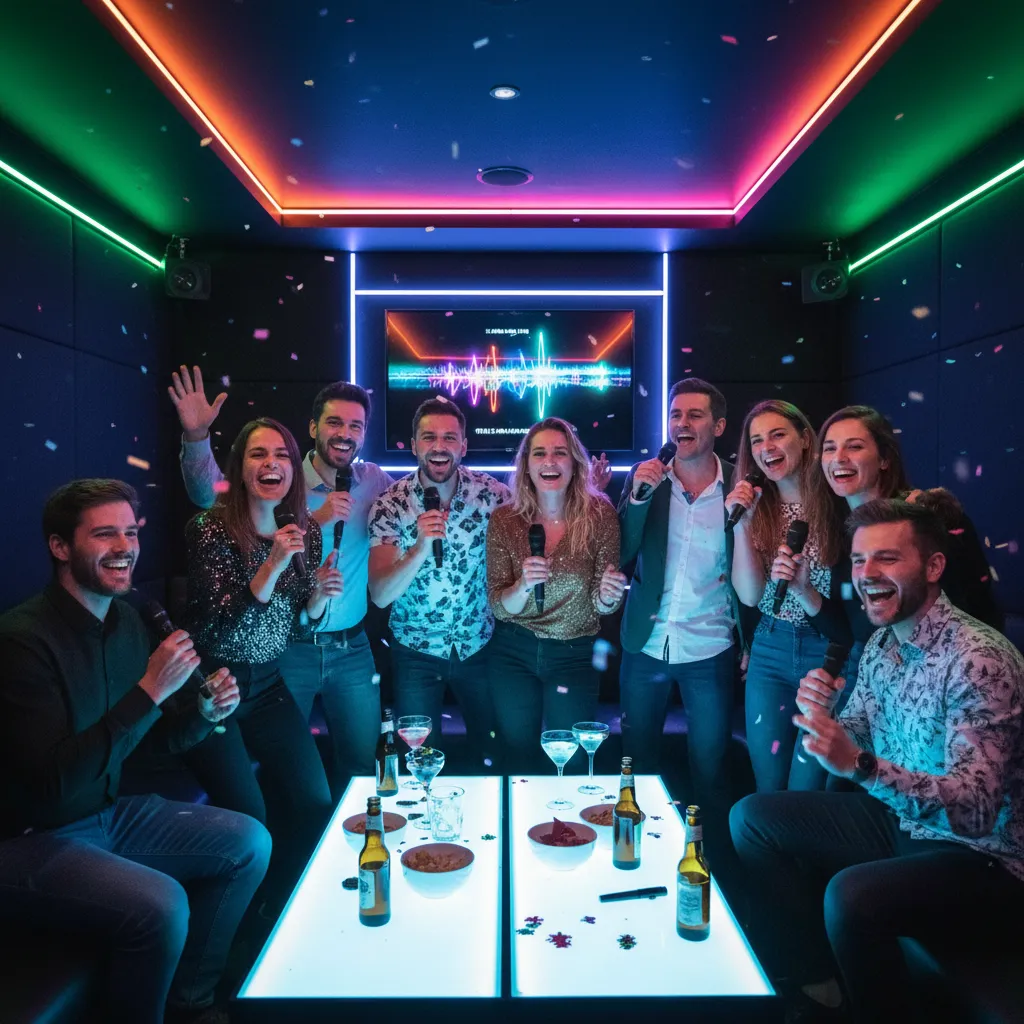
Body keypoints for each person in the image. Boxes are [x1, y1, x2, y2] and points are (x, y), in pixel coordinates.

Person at [730, 499, 1024, 1022]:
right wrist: (823, 715)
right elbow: (858, 729)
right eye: (861, 561)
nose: (868, 575)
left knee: (850, 896)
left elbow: (977, 812)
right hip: (903, 824)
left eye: (887, 559)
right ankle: (814, 979)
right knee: (752, 817)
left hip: (984, 860)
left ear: (933, 567)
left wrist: (861, 765)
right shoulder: (883, 643)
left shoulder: (978, 658)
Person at [0, 479, 269, 1024]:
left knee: (250, 840)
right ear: (60, 547)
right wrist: (150, 689)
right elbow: (52, 782)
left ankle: (190, 1001)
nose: (124, 546)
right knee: (163, 904)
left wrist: (204, 716)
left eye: (130, 532)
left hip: (107, 813)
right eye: (104, 534)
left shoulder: (127, 619)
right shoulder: (20, 641)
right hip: (30, 838)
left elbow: (155, 740)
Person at [169, 367, 392, 792]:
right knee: (279, 775)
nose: (345, 433)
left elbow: (417, 496)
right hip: (288, 650)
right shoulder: (277, 481)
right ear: (312, 428)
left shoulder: (374, 482)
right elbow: (205, 494)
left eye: (356, 426)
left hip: (352, 649)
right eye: (334, 422)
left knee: (361, 767)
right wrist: (196, 437)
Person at [182, 418, 339, 912]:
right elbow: (221, 623)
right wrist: (271, 564)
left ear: (294, 468)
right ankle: (234, 922)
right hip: (213, 687)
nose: (271, 463)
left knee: (315, 801)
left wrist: (317, 598)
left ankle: (287, 905)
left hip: (269, 684)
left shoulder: (305, 531)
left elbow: (294, 626)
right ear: (240, 466)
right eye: (257, 454)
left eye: (281, 455)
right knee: (248, 816)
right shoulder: (209, 528)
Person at [617, 378, 748, 818]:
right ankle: (640, 847)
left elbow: (750, 570)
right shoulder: (647, 478)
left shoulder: (740, 485)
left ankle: (708, 860)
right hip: (646, 643)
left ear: (719, 425)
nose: (682, 424)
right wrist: (638, 498)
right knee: (636, 761)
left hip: (710, 647)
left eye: (694, 415)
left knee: (710, 766)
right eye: (675, 415)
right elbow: (622, 553)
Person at [368, 397, 509, 765]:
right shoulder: (390, 504)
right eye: (429, 437)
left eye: (450, 437)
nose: (439, 446)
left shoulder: (493, 496)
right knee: (420, 761)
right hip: (415, 652)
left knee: (493, 751)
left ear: (463, 446)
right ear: (414, 445)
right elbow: (381, 595)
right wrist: (418, 548)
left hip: (479, 645)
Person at [486, 417, 626, 770]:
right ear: (527, 466)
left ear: (575, 463)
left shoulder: (600, 515)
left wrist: (610, 595)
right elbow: (500, 607)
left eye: (560, 453)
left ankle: (564, 826)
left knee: (573, 758)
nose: (550, 461)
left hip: (574, 654)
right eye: (540, 453)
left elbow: (602, 602)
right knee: (517, 754)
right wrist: (522, 586)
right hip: (513, 652)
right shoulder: (505, 519)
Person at [727, 399, 848, 792]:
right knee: (769, 787)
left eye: (778, 435)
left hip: (827, 654)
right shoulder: (757, 508)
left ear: (806, 440)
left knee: (805, 791)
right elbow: (749, 597)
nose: (767, 448)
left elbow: (852, 613)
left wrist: (804, 587)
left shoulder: (837, 501)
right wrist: (742, 525)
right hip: (770, 649)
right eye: (758, 440)